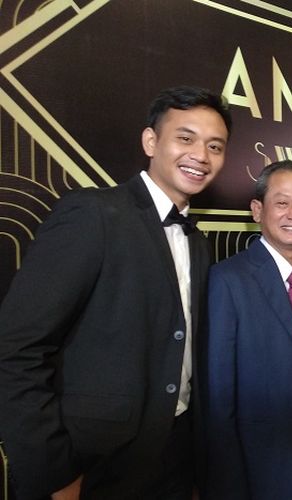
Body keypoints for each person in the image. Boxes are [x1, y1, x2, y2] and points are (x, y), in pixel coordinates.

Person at [0, 85, 232, 499]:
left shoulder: (197, 241)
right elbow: (16, 349)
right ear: (150, 141)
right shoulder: (93, 214)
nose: (201, 155)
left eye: (215, 146)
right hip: (93, 465)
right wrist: (54, 474)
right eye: (185, 138)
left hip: (174, 458)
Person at [203, 160, 292, 500]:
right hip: (258, 466)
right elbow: (218, 395)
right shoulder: (227, 279)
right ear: (257, 210)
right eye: (282, 203)